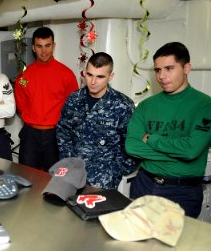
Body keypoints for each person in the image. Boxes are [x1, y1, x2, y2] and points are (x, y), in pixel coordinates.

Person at [125, 42, 211, 218]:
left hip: (182, 193)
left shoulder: (205, 105)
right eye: (158, 70)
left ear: (186, 68)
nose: (162, 76)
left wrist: (152, 139)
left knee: (174, 245)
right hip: (144, 185)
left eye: (169, 68)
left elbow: (190, 150)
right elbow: (132, 146)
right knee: (134, 243)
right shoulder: (146, 105)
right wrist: (177, 157)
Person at [57, 52, 137, 191]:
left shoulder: (123, 105)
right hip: (72, 174)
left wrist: (115, 171)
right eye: (89, 75)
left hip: (103, 179)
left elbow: (131, 143)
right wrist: (67, 161)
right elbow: (63, 132)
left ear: (110, 76)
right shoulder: (74, 99)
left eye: (100, 76)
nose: (93, 82)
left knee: (97, 213)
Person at [14, 26, 78, 171]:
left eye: (48, 46)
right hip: (30, 135)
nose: (44, 51)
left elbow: (73, 107)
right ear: (33, 48)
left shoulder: (66, 75)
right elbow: (20, 99)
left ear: (54, 46)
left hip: (55, 135)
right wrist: (31, 117)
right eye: (39, 46)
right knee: (27, 176)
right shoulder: (24, 77)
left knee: (56, 179)